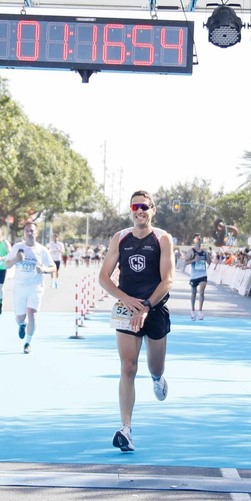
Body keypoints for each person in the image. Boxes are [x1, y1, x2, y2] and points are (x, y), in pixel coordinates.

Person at [98, 191, 175, 452]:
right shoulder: (120, 238)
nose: (139, 211)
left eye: (144, 206)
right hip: (127, 309)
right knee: (128, 368)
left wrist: (146, 306)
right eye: (135, 207)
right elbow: (104, 278)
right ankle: (126, 429)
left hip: (155, 307)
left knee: (155, 367)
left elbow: (168, 280)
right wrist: (126, 299)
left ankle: (157, 378)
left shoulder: (162, 239)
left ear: (153, 210)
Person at [7, 221, 57, 353]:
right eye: (27, 231)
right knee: (20, 318)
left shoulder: (42, 250)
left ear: (36, 233)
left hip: (35, 286)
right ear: (24, 233)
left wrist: (44, 270)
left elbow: (53, 267)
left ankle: (27, 343)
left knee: (32, 313)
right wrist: (16, 260)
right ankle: (22, 325)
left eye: (32, 231)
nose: (29, 233)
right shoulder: (17, 247)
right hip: (20, 287)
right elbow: (6, 265)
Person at [186, 234, 211, 320]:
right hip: (194, 276)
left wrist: (207, 255)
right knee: (193, 293)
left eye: (200, 239)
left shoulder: (204, 251)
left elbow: (209, 262)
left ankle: (200, 311)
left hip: (203, 274)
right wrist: (194, 259)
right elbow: (185, 262)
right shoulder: (191, 251)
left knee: (202, 292)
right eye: (197, 239)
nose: (198, 241)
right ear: (194, 240)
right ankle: (193, 310)